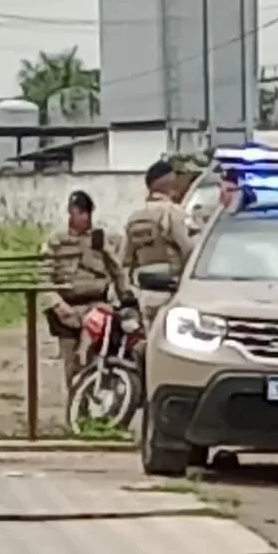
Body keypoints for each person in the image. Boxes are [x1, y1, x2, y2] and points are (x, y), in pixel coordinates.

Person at [42, 190, 125, 392]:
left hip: (97, 305)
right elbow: (43, 277)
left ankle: (94, 404)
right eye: (79, 212)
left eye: (87, 212)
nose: (84, 217)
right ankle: (73, 405)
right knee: (71, 364)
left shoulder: (102, 238)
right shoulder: (57, 241)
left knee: (96, 360)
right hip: (67, 308)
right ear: (70, 212)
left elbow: (118, 273)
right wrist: (57, 304)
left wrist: (105, 250)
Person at [120, 159, 194, 329]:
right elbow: (189, 250)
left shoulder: (135, 218)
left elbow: (124, 260)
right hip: (171, 288)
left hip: (144, 291)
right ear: (170, 183)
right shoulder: (173, 213)